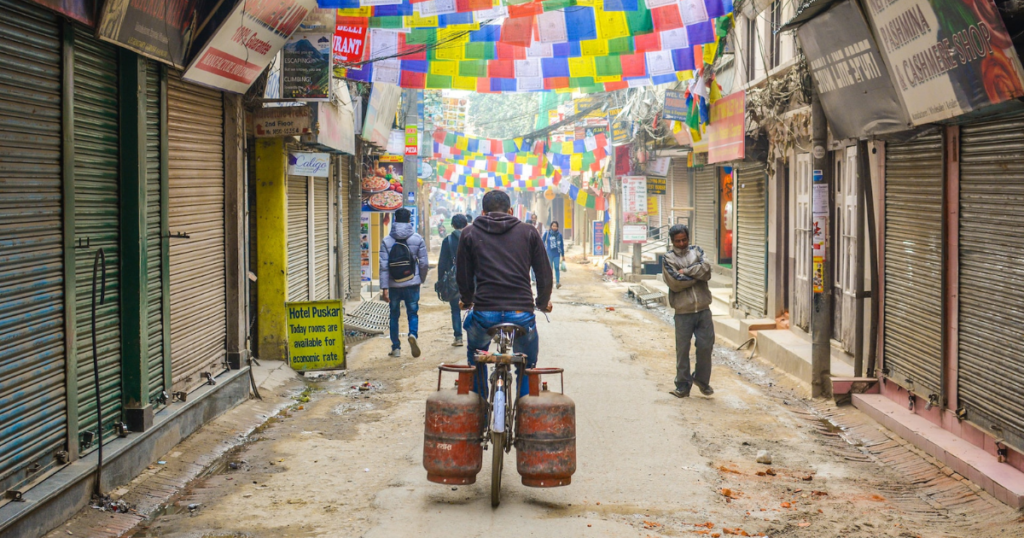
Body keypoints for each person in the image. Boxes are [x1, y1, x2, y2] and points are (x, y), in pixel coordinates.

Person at [457, 190, 553, 398]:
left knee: (476, 356)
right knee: (527, 363)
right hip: (521, 314)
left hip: (484, 314)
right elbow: (544, 273)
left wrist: (466, 300)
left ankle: (480, 411)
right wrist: (543, 302)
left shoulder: (469, 233)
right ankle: (524, 413)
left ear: (482, 212)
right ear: (510, 211)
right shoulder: (529, 232)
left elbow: (463, 276)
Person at [662, 224, 715, 398]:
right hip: (683, 311)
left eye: (684, 239)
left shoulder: (697, 251)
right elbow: (676, 282)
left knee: (706, 346)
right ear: (672, 242)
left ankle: (701, 379)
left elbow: (707, 270)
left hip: (703, 309)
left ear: (688, 238)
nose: (682, 243)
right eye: (678, 241)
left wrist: (686, 272)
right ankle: (683, 385)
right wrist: (696, 276)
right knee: (683, 349)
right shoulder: (668, 258)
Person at [380, 208, 429, 358]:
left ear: (395, 220)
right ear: (409, 220)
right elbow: (424, 263)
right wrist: (421, 278)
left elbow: (383, 266)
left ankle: (396, 348)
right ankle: (412, 334)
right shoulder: (417, 239)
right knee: (412, 313)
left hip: (394, 285)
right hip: (411, 283)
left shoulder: (387, 241)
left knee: (394, 315)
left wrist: (384, 288)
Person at [438, 214, 468, 347]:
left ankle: (458, 337)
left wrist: (440, 281)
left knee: (455, 309)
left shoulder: (447, 240)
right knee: (473, 307)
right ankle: (475, 334)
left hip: (453, 281)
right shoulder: (472, 238)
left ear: (452, 225)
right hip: (470, 279)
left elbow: (442, 263)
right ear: (466, 224)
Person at [542, 221, 565, 289]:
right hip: (549, 253)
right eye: (553, 226)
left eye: (556, 226)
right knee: (550, 268)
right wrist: (545, 247)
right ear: (551, 226)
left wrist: (563, 255)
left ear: (557, 227)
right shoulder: (547, 233)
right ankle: (550, 282)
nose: (554, 227)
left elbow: (561, 245)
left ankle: (557, 282)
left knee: (557, 267)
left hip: (557, 253)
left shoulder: (559, 235)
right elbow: (542, 241)